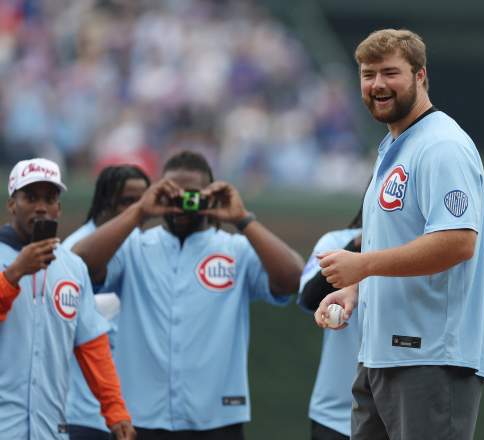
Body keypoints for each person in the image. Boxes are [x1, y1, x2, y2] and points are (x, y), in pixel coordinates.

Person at [314, 29, 484, 440]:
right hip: (381, 355)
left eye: (390, 73)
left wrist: (362, 265)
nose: (377, 84)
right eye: (368, 74)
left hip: (432, 356)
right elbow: (396, 242)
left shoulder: (441, 145)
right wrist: (356, 289)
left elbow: (458, 242)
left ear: (420, 76)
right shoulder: (394, 146)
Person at [72, 150, 304, 439]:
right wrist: (140, 211)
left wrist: (243, 219)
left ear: (209, 196)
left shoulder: (236, 250)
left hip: (217, 417)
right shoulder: (135, 247)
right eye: (172, 194)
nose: (182, 203)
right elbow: (78, 265)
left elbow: (294, 278)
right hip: (141, 417)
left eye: (192, 195)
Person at [0, 158, 135, 439]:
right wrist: (14, 274)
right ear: (12, 204)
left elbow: (92, 345)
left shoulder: (72, 267)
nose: (41, 207)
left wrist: (115, 411)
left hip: (50, 428)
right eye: (30, 197)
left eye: (49, 199)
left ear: (58, 208)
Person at [64, 165, 150, 440]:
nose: (137, 209)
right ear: (105, 201)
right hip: (81, 409)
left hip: (120, 410)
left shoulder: (137, 241)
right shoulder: (77, 248)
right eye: (128, 201)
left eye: (143, 201)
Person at [298, 207, 362, 440]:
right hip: (336, 415)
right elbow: (309, 298)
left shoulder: (417, 248)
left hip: (400, 409)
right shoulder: (337, 241)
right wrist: (358, 244)